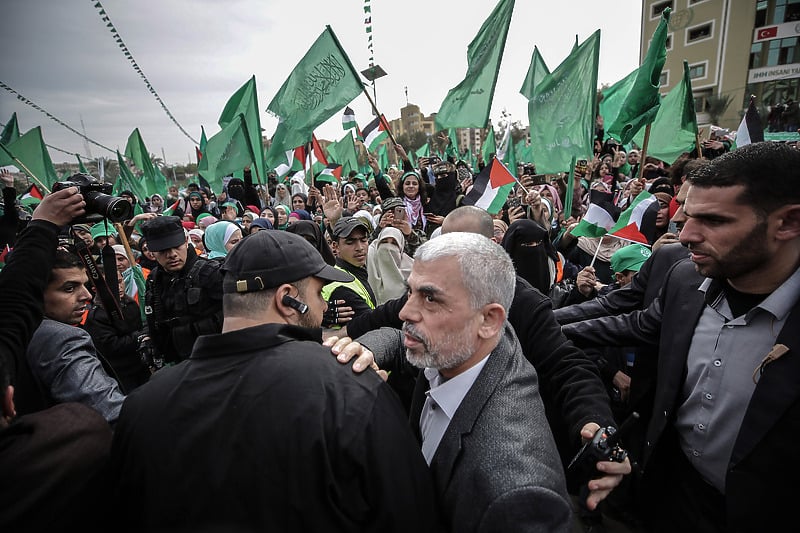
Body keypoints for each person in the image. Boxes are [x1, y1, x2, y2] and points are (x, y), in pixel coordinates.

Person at [109, 230, 441, 532]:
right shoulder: (351, 387)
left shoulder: (140, 407)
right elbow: (409, 513)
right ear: (286, 299)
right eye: (319, 293)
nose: (324, 305)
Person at [562, 142, 800, 532]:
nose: (685, 234)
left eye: (714, 221)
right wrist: (540, 327)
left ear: (787, 223)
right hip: (669, 500)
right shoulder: (685, 277)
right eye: (687, 216)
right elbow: (631, 324)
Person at [339, 205, 628, 513]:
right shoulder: (429, 295)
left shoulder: (511, 479)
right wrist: (350, 340)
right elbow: (390, 326)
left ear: (491, 319)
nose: (410, 311)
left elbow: (567, 365)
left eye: (462, 246)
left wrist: (595, 424)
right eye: (443, 243)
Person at [355, 232, 572, 531]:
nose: (405, 312)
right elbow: (398, 340)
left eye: (430, 298)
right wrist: (368, 348)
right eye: (411, 292)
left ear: (489, 320)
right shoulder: (464, 343)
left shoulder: (515, 491)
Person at [15, 247, 126, 424]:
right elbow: (109, 412)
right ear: (34, 293)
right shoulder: (61, 338)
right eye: (69, 288)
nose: (87, 295)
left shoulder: (14, 328)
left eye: (85, 284)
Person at [140, 216, 223, 367]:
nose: (172, 254)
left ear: (186, 241)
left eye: (177, 246)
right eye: (163, 250)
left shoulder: (210, 272)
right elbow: (152, 314)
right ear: (152, 252)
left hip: (213, 358)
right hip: (178, 362)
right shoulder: (154, 279)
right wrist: (148, 336)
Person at [321, 217, 377, 326]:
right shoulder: (340, 287)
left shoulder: (356, 271)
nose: (359, 247)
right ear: (335, 247)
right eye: (350, 242)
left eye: (363, 240)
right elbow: (374, 323)